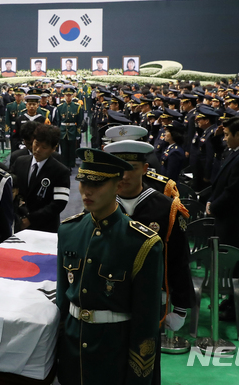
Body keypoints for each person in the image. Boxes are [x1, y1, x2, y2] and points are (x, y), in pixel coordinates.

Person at [56, 147, 163, 385]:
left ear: (118, 185)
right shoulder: (69, 231)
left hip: (113, 353)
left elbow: (146, 321)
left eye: (98, 184)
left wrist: (139, 375)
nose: (87, 191)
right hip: (72, 349)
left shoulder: (142, 243)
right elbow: (63, 299)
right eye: (83, 182)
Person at [103, 139, 194, 384]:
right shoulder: (101, 203)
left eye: (131, 167)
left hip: (150, 301)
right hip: (106, 298)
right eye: (118, 168)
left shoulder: (166, 208)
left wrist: (181, 306)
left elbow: (178, 259)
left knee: (143, 364)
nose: (124, 175)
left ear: (144, 169)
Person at [206, 117, 239, 250]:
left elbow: (233, 192)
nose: (224, 139)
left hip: (233, 220)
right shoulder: (236, 152)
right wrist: (211, 200)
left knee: (228, 257)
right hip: (226, 216)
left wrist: (213, 207)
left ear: (237, 135)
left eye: (227, 135)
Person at [11, 124, 70, 233]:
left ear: (53, 149)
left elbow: (59, 203)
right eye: (36, 144)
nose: (38, 150)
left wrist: (31, 219)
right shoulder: (20, 162)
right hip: (18, 224)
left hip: (45, 228)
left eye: (44, 147)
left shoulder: (61, 171)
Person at [55, 87, 83, 169]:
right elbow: (58, 121)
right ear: (64, 96)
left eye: (70, 95)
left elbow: (79, 121)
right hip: (63, 130)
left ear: (73, 96)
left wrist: (78, 133)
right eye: (66, 95)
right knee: (64, 149)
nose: (68, 97)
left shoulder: (77, 107)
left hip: (72, 129)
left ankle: (71, 164)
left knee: (72, 149)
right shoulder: (60, 107)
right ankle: (64, 165)